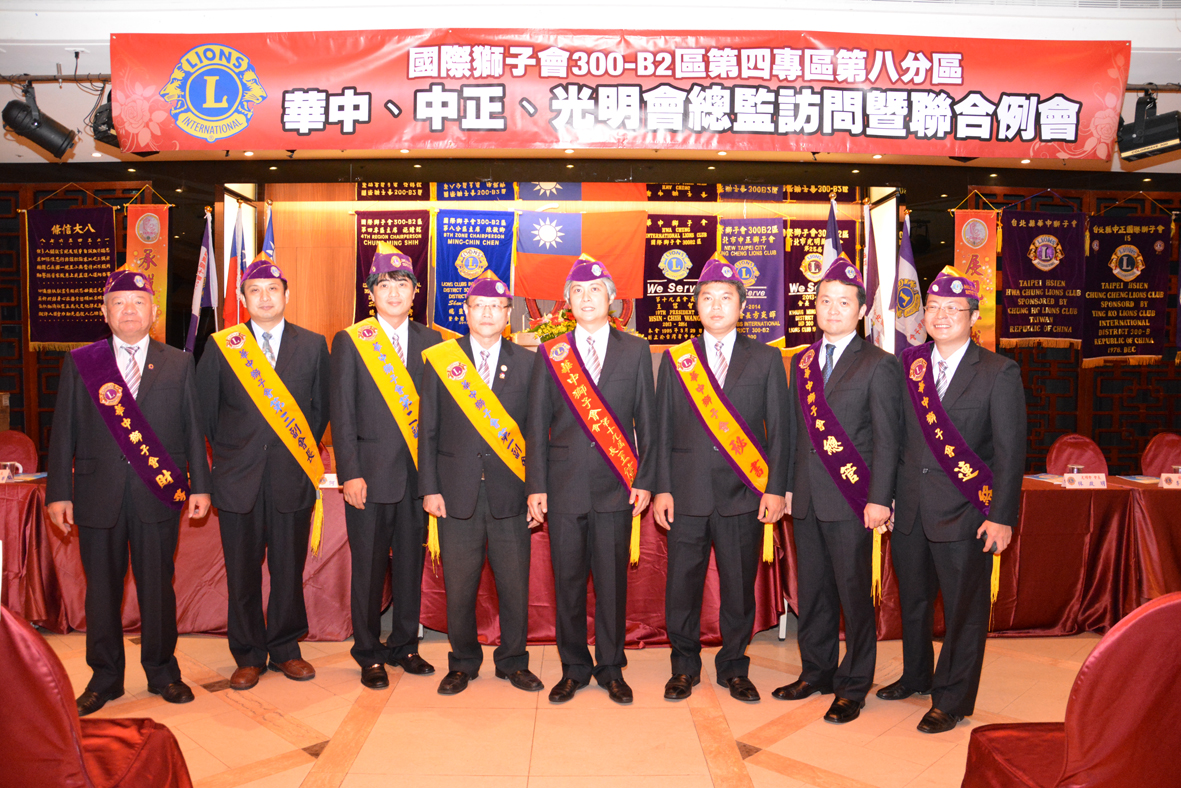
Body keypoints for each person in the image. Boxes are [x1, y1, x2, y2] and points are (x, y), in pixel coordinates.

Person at [47, 266, 211, 716]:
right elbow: (62, 432)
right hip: (96, 494)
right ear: (105, 312)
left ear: (154, 311)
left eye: (138, 302)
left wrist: (201, 485)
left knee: (158, 587)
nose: (129, 310)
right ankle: (105, 678)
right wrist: (59, 492)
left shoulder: (178, 362)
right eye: (118, 303)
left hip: (157, 493)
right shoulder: (82, 361)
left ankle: (162, 672)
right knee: (101, 590)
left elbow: (193, 428)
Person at [877, 268, 1026, 734]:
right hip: (910, 509)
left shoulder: (998, 371)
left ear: (973, 317)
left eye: (952, 309)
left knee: (964, 610)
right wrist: (889, 496)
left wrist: (1001, 517)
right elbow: (895, 438)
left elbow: (1010, 452)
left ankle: (953, 698)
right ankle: (916, 676)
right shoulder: (909, 364)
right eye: (934, 307)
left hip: (965, 512)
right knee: (914, 601)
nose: (940, 316)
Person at [653, 256, 789, 703]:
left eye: (725, 298)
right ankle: (683, 667)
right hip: (686, 493)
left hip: (743, 494)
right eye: (707, 298)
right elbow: (661, 428)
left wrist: (774, 488)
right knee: (682, 587)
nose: (715, 306)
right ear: (696, 306)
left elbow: (781, 430)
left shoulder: (766, 359)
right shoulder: (678, 360)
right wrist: (663, 488)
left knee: (738, 588)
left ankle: (733, 666)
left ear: (741, 306)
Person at [772, 259, 901, 724]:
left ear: (861, 311)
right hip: (807, 498)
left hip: (853, 500)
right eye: (825, 301)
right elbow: (792, 433)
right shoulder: (803, 362)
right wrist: (788, 487)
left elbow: (887, 439)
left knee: (853, 596)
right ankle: (816, 672)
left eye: (843, 302)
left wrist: (879, 498)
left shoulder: (879, 365)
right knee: (814, 593)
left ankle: (853, 684)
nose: (832, 309)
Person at [525, 256, 655, 705]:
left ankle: (611, 668)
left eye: (595, 290)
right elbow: (536, 424)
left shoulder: (635, 350)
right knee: (567, 583)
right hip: (563, 487)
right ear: (566, 301)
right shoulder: (551, 351)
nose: (586, 298)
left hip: (618, 485)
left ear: (611, 298)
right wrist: (536, 485)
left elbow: (647, 420)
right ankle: (574, 668)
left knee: (612, 584)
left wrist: (646, 478)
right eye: (577, 292)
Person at [196, 256, 330, 691]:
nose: (265, 297)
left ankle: (287, 648)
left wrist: (293, 450)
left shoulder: (313, 345)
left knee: (289, 569)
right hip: (238, 479)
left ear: (287, 295)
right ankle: (249, 654)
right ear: (243, 298)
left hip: (292, 476)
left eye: (273, 289)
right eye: (255, 291)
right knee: (242, 573)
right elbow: (207, 413)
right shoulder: (223, 346)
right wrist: (236, 452)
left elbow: (319, 409)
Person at [419, 272, 542, 695]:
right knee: (459, 587)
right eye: (479, 306)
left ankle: (513, 661)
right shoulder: (442, 360)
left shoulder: (528, 363)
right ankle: (463, 663)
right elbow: (427, 430)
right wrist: (429, 488)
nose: (487, 313)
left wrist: (535, 490)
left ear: (508, 315)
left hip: (511, 493)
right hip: (456, 492)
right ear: (466, 312)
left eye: (496, 307)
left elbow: (536, 433)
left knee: (514, 585)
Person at [330, 249, 441, 688]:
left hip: (417, 478)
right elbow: (342, 412)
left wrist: (434, 479)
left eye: (402, 285)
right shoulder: (351, 340)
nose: (394, 292)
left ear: (415, 293)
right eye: (384, 285)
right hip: (368, 477)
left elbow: (438, 416)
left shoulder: (434, 342)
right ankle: (368, 652)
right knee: (369, 569)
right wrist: (350, 473)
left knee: (411, 566)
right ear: (371, 294)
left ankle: (405, 645)